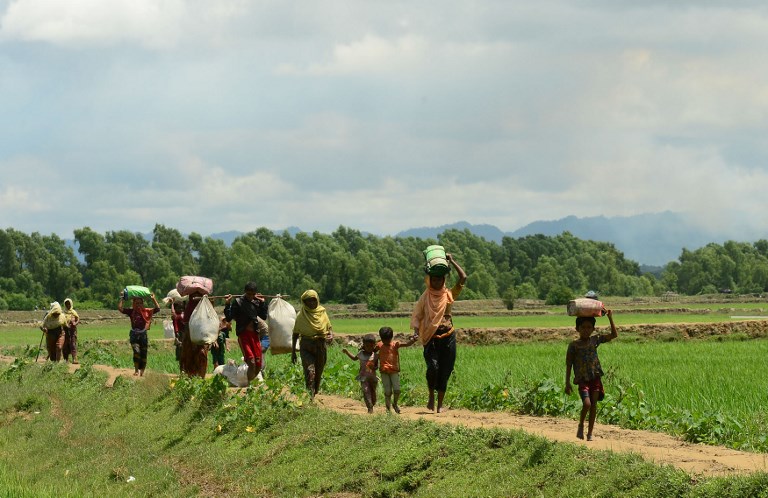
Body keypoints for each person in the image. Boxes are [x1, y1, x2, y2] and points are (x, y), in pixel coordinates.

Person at [410, 253, 467, 413]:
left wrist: (452, 261)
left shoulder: (448, 295)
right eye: (434, 279)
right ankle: (431, 396)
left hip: (448, 336)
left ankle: (440, 404)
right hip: (431, 338)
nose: (436, 282)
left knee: (445, 370)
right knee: (433, 368)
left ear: (443, 280)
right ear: (429, 280)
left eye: (440, 279)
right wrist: (415, 332)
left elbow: (463, 278)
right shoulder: (425, 297)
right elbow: (417, 315)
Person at [565, 308, 618, 441]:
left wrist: (610, 318)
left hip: (595, 377)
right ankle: (581, 425)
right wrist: (567, 383)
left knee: (594, 404)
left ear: (593, 329)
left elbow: (614, 335)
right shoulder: (573, 345)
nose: (586, 330)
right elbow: (569, 364)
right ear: (577, 328)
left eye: (589, 327)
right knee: (587, 404)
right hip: (582, 378)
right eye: (583, 327)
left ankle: (590, 433)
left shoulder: (595, 340)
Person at [292, 289, 334, 399]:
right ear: (304, 303)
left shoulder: (322, 312)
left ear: (317, 300)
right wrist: (293, 353)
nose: (311, 303)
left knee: (318, 372)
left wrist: (331, 335)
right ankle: (310, 396)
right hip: (306, 345)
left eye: (313, 300)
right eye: (308, 301)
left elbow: (329, 328)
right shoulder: (301, 315)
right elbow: (295, 333)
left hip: (320, 345)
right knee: (310, 371)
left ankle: (314, 392)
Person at [224, 282, 268, 386]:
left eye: (252, 294)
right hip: (244, 335)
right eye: (248, 294)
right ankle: (248, 385)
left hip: (255, 336)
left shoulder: (256, 302)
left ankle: (249, 382)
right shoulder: (238, 302)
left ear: (255, 293)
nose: (250, 296)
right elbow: (229, 317)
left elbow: (264, 316)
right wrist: (227, 304)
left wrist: (263, 303)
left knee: (258, 364)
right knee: (251, 362)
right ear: (245, 292)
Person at [376, 326, 417, 413]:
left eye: (387, 340)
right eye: (384, 340)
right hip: (384, 371)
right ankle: (388, 409)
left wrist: (413, 340)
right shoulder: (379, 345)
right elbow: (372, 351)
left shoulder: (395, 344)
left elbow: (406, 344)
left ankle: (395, 403)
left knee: (397, 390)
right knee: (387, 391)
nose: (385, 342)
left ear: (391, 338)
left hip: (394, 370)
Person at [118, 292, 161, 376]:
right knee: (136, 351)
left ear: (142, 303)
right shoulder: (131, 312)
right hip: (134, 334)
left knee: (144, 353)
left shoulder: (147, 311)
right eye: (136, 303)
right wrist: (122, 298)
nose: (138, 305)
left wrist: (153, 299)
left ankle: (142, 372)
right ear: (133, 303)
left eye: (140, 303)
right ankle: (136, 370)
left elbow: (158, 308)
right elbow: (120, 308)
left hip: (143, 335)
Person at [342, 334, 379, 413]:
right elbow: (354, 358)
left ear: (374, 346)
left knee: (373, 393)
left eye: (371, 346)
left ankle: (372, 403)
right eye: (367, 346)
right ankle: (369, 408)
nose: (369, 348)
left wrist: (373, 367)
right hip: (363, 377)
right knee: (366, 391)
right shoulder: (360, 354)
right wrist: (347, 352)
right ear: (364, 345)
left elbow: (377, 367)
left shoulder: (375, 356)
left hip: (372, 378)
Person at [180, 289, 211, 378]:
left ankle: (201, 378)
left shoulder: (204, 307)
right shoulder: (189, 308)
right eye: (194, 294)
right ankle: (189, 378)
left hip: (201, 339)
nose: (196, 297)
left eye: (198, 294)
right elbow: (186, 325)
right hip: (190, 339)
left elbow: (209, 322)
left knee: (202, 356)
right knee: (188, 358)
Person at [62, 298, 80, 364]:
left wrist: (75, 323)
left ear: (71, 304)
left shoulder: (73, 312)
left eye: (69, 304)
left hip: (72, 330)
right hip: (65, 330)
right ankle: (65, 359)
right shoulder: (63, 312)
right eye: (66, 304)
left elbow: (78, 319)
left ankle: (74, 359)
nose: (68, 305)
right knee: (65, 345)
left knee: (73, 344)